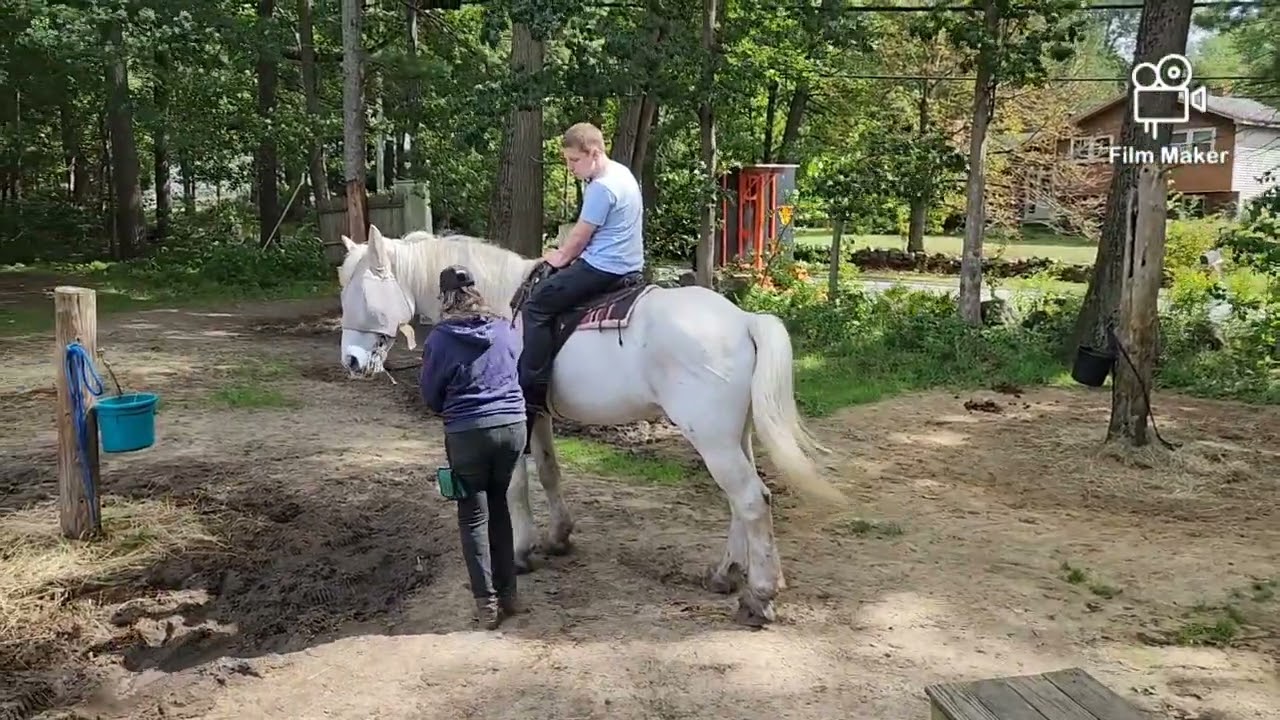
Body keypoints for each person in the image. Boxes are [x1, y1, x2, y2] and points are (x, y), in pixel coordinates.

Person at [419, 265, 528, 629]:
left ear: (445, 298)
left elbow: (432, 398)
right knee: (499, 506)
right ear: (475, 292)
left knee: (473, 516)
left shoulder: (440, 338)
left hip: (469, 433)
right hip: (514, 427)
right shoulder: (503, 329)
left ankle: (487, 605)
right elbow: (516, 368)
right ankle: (510, 595)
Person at [518, 122, 646, 418]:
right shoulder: (622, 173)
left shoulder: (602, 188)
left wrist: (558, 257)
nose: (570, 167)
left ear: (594, 153)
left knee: (537, 304)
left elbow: (579, 237)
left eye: (574, 160)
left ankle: (532, 388)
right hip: (630, 266)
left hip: (603, 268)